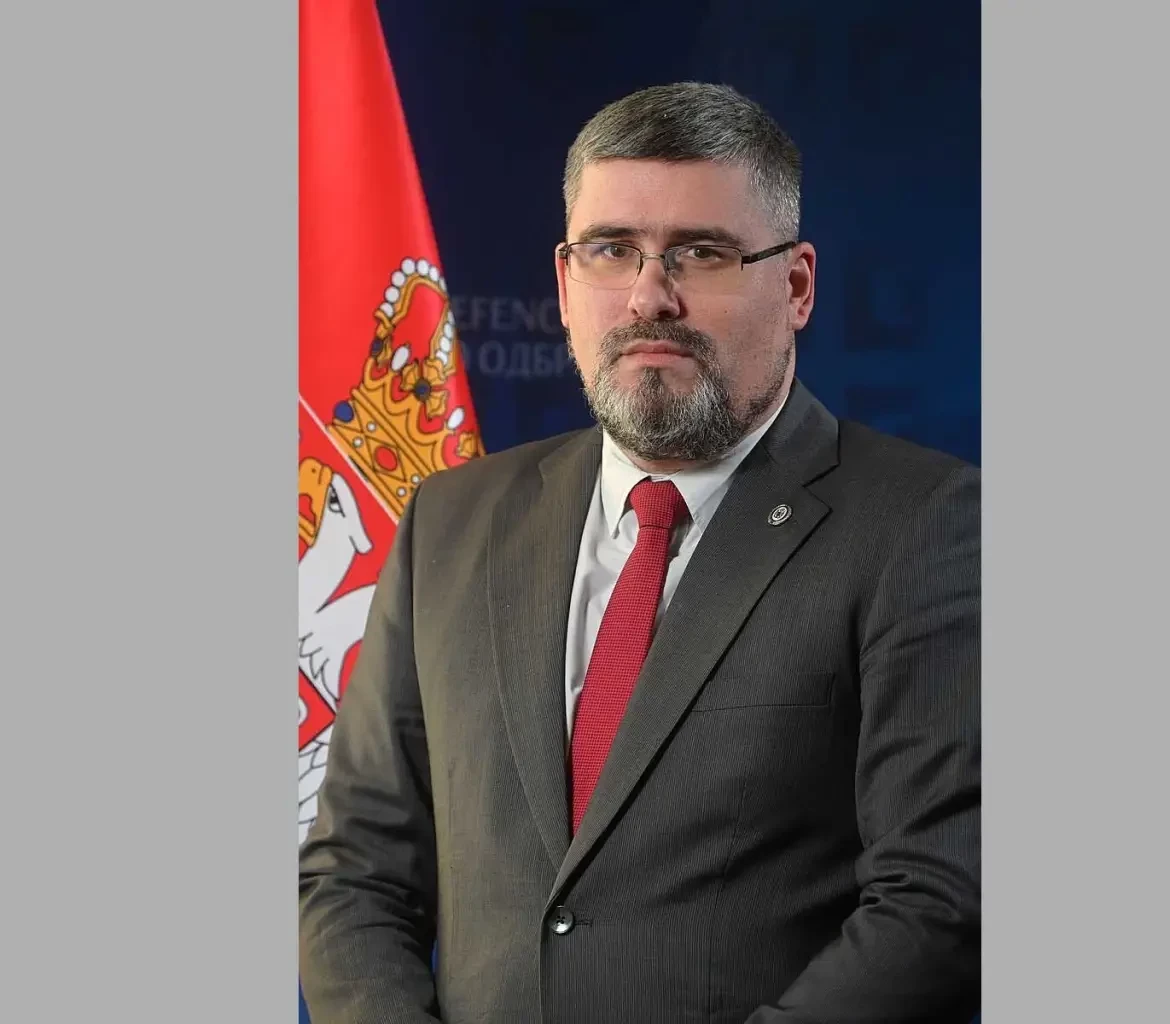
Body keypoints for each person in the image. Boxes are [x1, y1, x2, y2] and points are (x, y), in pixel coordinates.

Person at [298, 81, 980, 1024]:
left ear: (796, 286)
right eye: (612, 249)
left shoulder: (924, 523)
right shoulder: (452, 522)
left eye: (701, 252)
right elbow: (355, 871)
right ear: (565, 283)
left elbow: (940, 898)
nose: (650, 296)